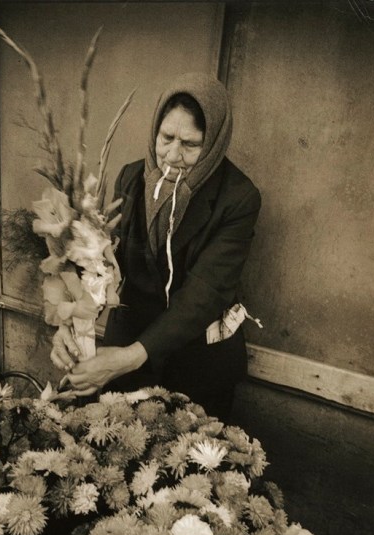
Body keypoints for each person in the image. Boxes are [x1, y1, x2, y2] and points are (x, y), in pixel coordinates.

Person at [51, 72, 261, 421]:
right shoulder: (131, 178)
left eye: (190, 145)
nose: (172, 155)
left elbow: (205, 293)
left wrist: (132, 355)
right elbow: (105, 263)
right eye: (167, 138)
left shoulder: (238, 198)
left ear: (213, 144)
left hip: (197, 365)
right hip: (127, 354)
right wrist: (71, 322)